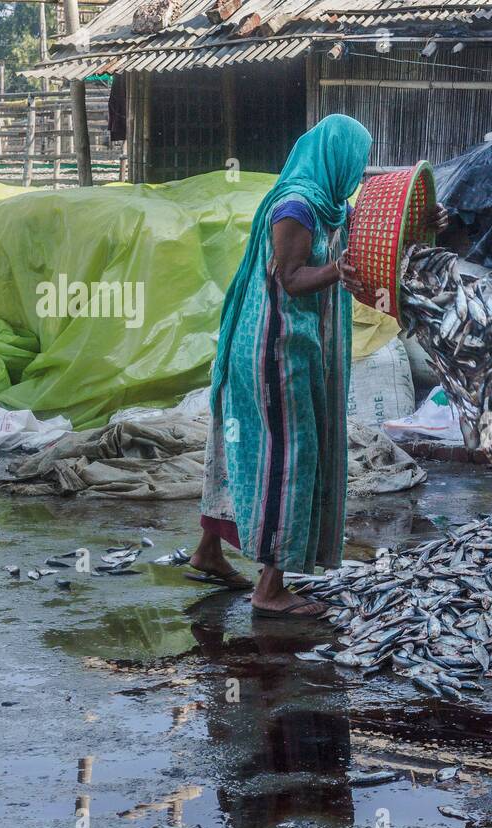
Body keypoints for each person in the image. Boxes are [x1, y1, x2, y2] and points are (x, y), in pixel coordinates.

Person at [189, 114, 370, 617]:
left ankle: (208, 551)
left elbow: (376, 222)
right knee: (291, 456)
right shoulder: (297, 205)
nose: (358, 173)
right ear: (337, 157)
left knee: (243, 449)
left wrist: (431, 220)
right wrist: (337, 270)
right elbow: (290, 278)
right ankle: (270, 587)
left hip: (290, 342)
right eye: (356, 160)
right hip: (275, 349)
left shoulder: (330, 204)